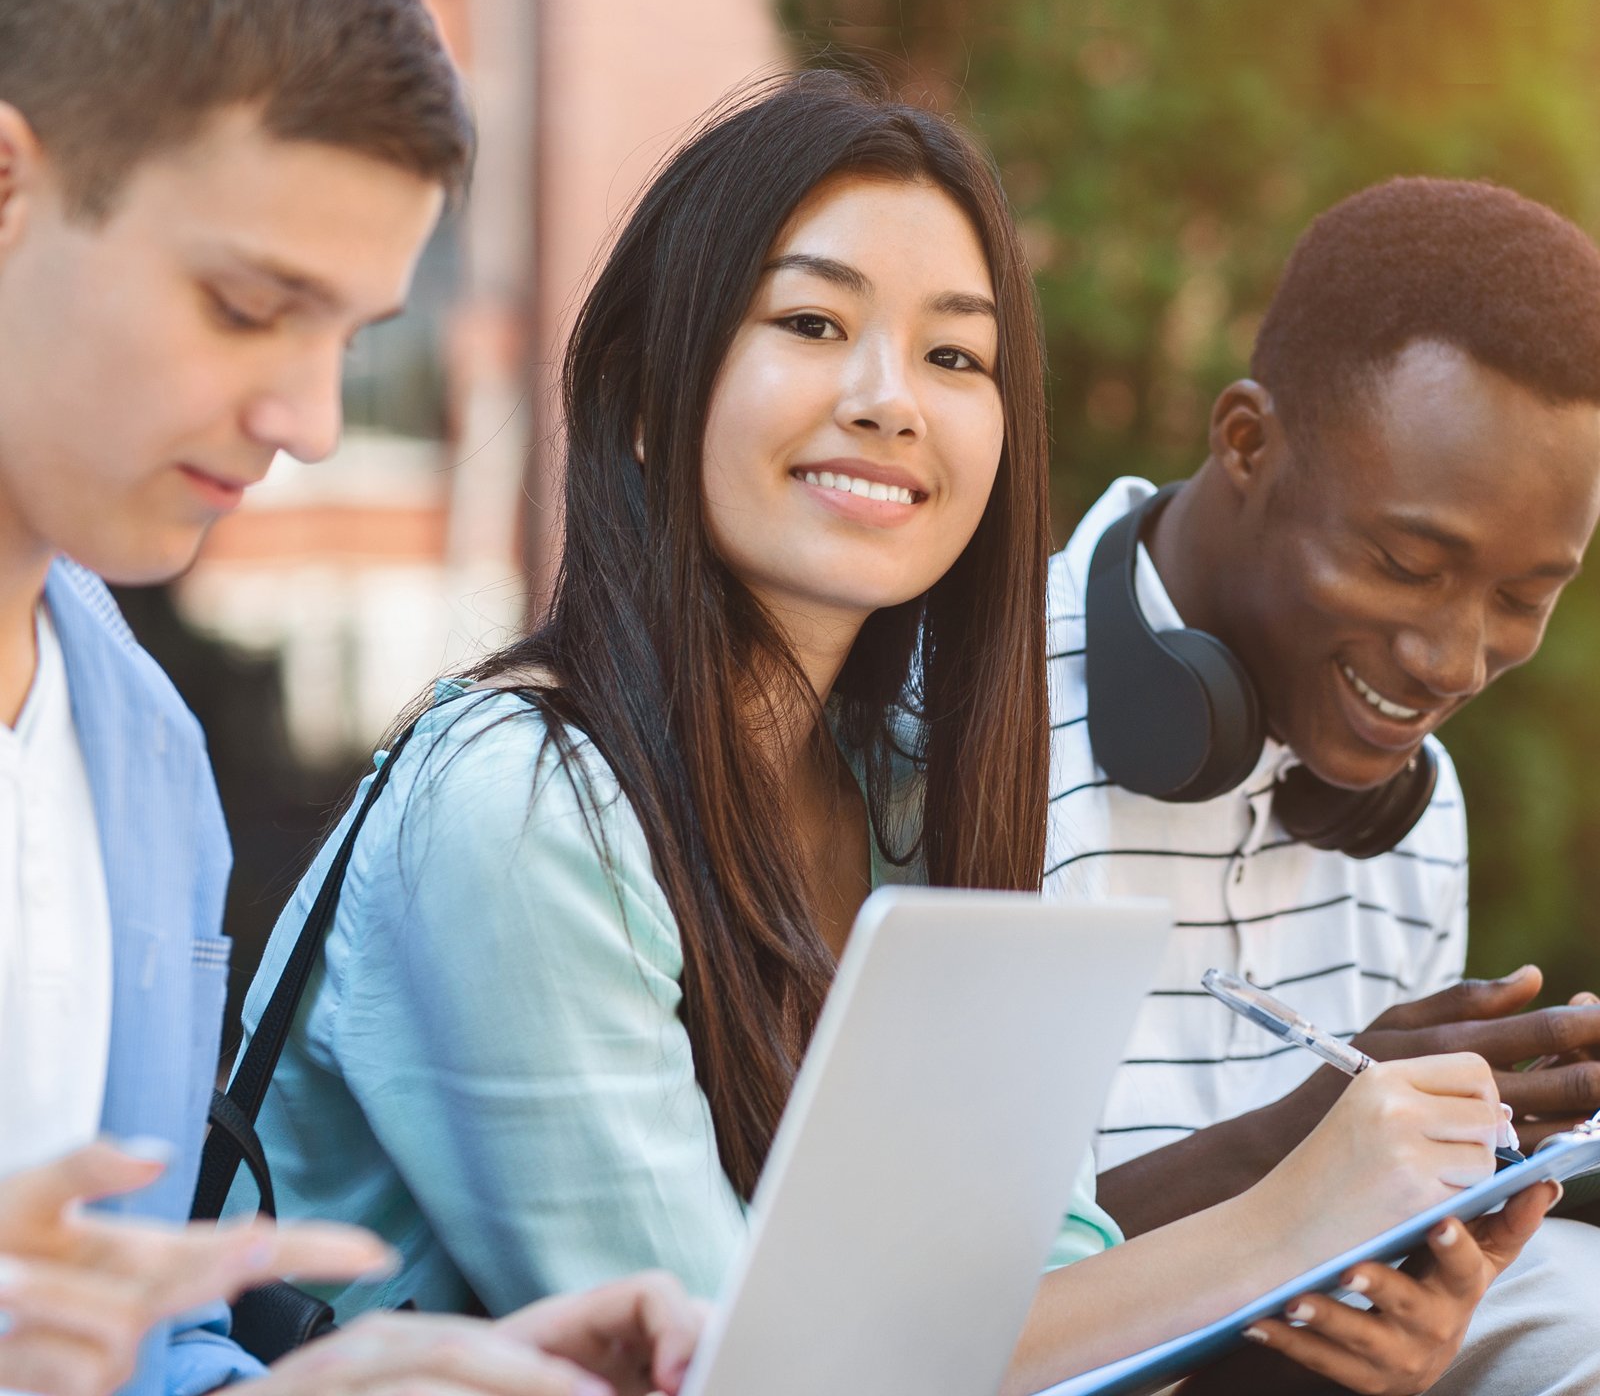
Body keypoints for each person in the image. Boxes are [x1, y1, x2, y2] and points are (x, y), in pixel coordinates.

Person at [238, 74, 1556, 1396]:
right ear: (645, 392)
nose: (891, 400)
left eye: (954, 356)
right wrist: (1290, 1211)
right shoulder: (518, 810)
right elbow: (736, 1377)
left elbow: (1025, 1291)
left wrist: (1343, 1309)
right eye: (813, 323)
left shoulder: (916, 796)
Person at [0, 0, 701, 1393]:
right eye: (251, 306)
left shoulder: (146, 766)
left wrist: (354, 1386)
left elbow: (118, 1352)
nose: (311, 419)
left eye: (353, 337)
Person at [1045, 176, 1600, 1392]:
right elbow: (907, 1303)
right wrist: (1293, 1153)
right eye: (1404, 561)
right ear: (1246, 443)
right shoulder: (958, 726)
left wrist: (1422, 1303)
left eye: (1523, 596)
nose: (1453, 662)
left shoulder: (1419, 801)